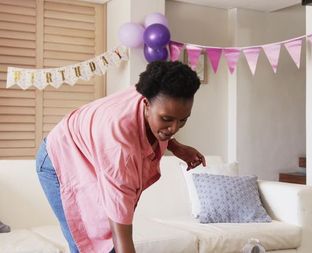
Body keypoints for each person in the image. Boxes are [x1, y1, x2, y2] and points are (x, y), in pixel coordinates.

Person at [36, 61, 206, 253]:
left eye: (183, 119)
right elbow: (121, 235)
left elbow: (163, 124)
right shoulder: (120, 150)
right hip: (60, 158)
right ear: (146, 105)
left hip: (92, 152)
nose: (174, 128)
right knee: (88, 245)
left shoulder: (152, 89)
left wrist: (176, 147)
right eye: (167, 119)